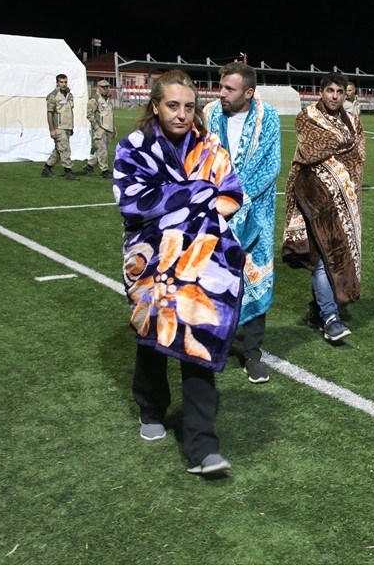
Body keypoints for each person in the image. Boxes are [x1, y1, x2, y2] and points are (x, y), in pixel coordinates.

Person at [113, 69, 245, 477]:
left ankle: (202, 446)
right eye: (173, 105)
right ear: (155, 106)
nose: (182, 114)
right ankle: (150, 406)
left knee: (197, 342)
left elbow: (231, 195)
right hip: (150, 261)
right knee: (152, 336)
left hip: (201, 260)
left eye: (189, 106)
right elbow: (133, 203)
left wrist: (188, 212)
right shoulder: (133, 148)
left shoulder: (209, 148)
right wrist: (197, 197)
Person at [204, 62, 282, 384]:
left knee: (255, 278)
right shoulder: (209, 114)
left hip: (256, 215)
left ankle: (252, 353)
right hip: (213, 212)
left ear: (248, 93)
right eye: (221, 86)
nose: (221, 93)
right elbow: (201, 158)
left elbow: (270, 164)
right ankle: (211, 344)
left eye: (229, 89)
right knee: (212, 280)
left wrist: (235, 198)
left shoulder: (269, 118)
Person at [282, 72, 366, 343]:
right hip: (312, 196)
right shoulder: (307, 116)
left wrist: (342, 148)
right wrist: (344, 142)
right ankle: (331, 318)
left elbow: (358, 156)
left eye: (339, 92)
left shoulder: (353, 120)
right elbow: (311, 150)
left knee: (338, 254)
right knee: (322, 257)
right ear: (321, 92)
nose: (334, 96)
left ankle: (317, 311)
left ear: (346, 94)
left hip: (344, 198)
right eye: (329, 90)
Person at [41, 73, 79, 180]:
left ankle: (47, 168)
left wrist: (71, 127)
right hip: (59, 127)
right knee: (65, 149)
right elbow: (50, 113)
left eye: (65, 82)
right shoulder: (53, 96)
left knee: (59, 150)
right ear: (57, 83)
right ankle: (68, 171)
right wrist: (52, 129)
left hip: (67, 126)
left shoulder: (69, 95)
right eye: (61, 82)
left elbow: (69, 111)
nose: (64, 84)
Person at [83, 79, 116, 178]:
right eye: (103, 87)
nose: (106, 89)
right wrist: (96, 127)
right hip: (100, 128)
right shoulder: (94, 99)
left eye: (107, 87)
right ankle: (104, 170)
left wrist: (114, 128)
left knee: (103, 150)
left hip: (108, 128)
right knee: (103, 150)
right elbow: (89, 114)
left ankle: (89, 166)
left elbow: (111, 114)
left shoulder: (108, 99)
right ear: (98, 88)